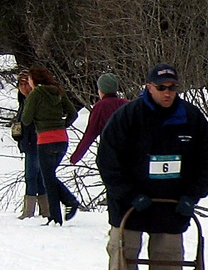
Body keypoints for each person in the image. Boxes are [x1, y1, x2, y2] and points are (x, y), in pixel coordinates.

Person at [88, 63, 208, 270]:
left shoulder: (192, 119)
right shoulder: (128, 116)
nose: (167, 93)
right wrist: (129, 194)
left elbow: (206, 160)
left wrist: (192, 195)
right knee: (121, 267)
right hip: (130, 208)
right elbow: (108, 161)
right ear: (149, 87)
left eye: (172, 88)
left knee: (169, 269)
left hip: (172, 207)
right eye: (161, 88)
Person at [20, 65, 81, 225]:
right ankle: (60, 211)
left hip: (45, 140)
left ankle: (63, 209)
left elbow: (26, 119)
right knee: (49, 177)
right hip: (62, 139)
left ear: (34, 80)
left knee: (48, 178)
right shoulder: (58, 91)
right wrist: (61, 125)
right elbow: (73, 113)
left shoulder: (36, 94)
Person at [12, 69, 49, 220]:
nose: (22, 87)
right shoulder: (23, 102)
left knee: (31, 175)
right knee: (38, 177)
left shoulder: (35, 100)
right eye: (20, 84)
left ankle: (29, 211)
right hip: (28, 143)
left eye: (25, 83)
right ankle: (45, 210)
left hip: (36, 142)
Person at [69, 72, 128, 165]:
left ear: (101, 90)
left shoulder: (101, 107)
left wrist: (75, 157)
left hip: (111, 152)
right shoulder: (127, 104)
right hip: (130, 151)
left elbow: (90, 134)